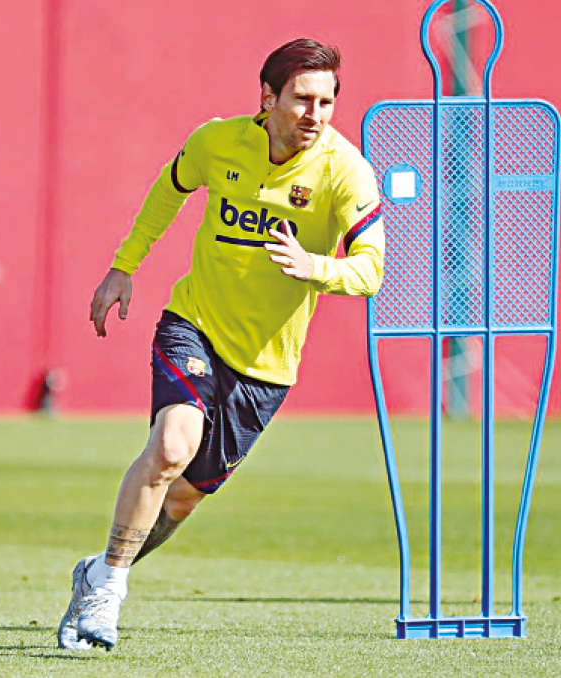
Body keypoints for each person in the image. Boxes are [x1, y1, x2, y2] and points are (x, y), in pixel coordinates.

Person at [56, 38, 385, 650]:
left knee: (182, 499)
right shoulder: (217, 140)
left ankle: (98, 571)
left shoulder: (346, 171)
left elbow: (371, 271)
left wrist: (316, 267)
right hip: (195, 324)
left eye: (326, 102)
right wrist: (124, 265)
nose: (314, 114)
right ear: (268, 97)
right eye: (302, 99)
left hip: (266, 365)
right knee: (170, 447)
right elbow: (169, 189)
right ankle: (109, 594)